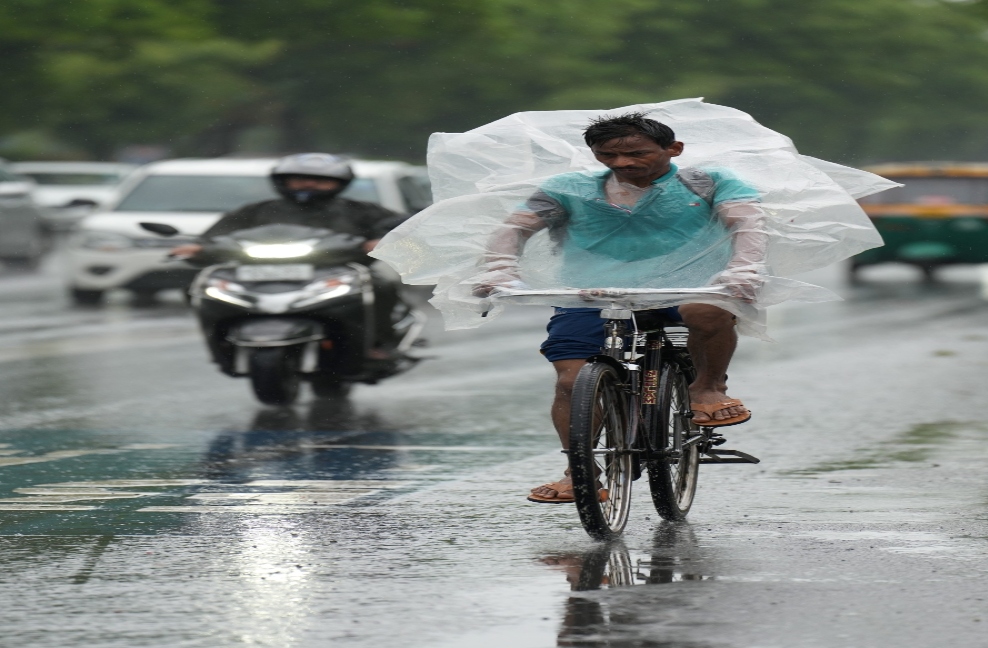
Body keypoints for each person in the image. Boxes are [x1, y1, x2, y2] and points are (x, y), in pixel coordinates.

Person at [472, 113, 767, 504]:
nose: (621, 163)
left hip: (687, 286)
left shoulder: (708, 182)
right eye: (606, 155)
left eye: (635, 154)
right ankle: (580, 471)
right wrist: (499, 270)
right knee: (571, 383)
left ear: (673, 149)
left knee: (709, 312)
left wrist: (743, 270)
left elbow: (747, 224)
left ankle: (708, 388)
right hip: (591, 293)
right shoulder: (569, 188)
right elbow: (515, 227)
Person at [171, 153, 408, 357]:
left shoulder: (360, 210)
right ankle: (222, 341)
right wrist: (197, 248)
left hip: (337, 271)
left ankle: (379, 342)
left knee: (380, 287)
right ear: (282, 181)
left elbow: (394, 226)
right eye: (300, 179)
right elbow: (217, 236)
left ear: (339, 183)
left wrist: (379, 241)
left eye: (320, 181)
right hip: (253, 272)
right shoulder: (257, 210)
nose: (309, 185)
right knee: (198, 286)